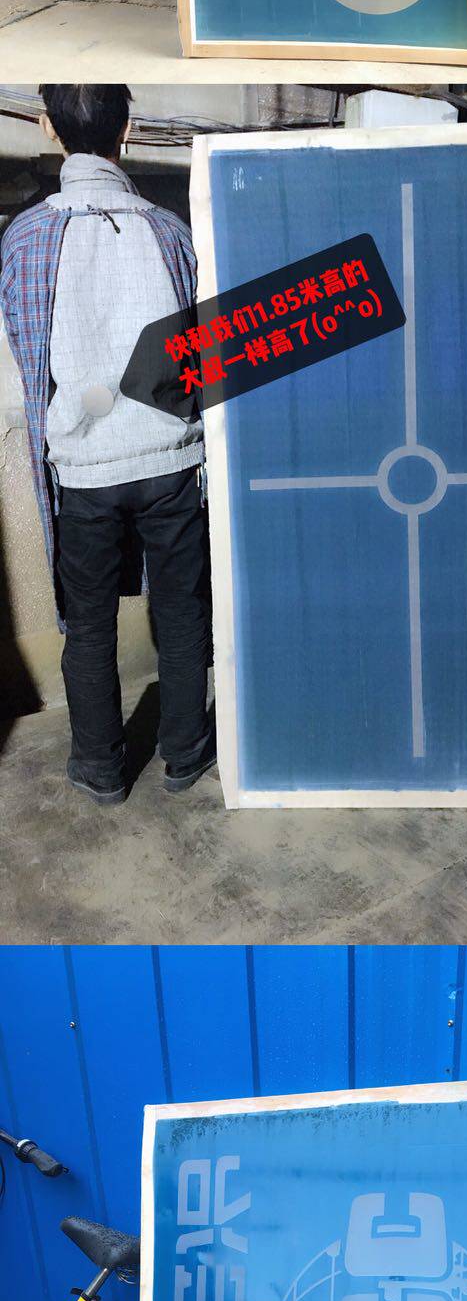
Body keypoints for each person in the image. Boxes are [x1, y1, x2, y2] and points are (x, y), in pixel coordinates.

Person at [0, 84, 214, 803]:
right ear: (128, 129)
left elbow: (31, 360)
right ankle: (185, 753)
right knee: (182, 610)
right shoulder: (170, 231)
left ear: (47, 127)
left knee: (88, 626)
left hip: (85, 467)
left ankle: (100, 767)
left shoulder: (25, 236)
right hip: (171, 457)